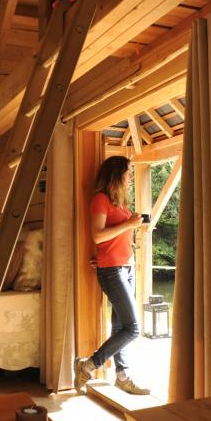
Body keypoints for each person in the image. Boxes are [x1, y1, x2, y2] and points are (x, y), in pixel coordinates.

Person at [74, 156, 151, 396]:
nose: (130, 178)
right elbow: (97, 236)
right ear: (116, 174)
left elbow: (112, 238)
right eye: (128, 173)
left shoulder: (120, 203)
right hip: (113, 271)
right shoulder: (100, 199)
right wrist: (128, 225)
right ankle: (88, 365)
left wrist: (131, 226)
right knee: (132, 328)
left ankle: (121, 376)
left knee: (120, 327)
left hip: (126, 268)